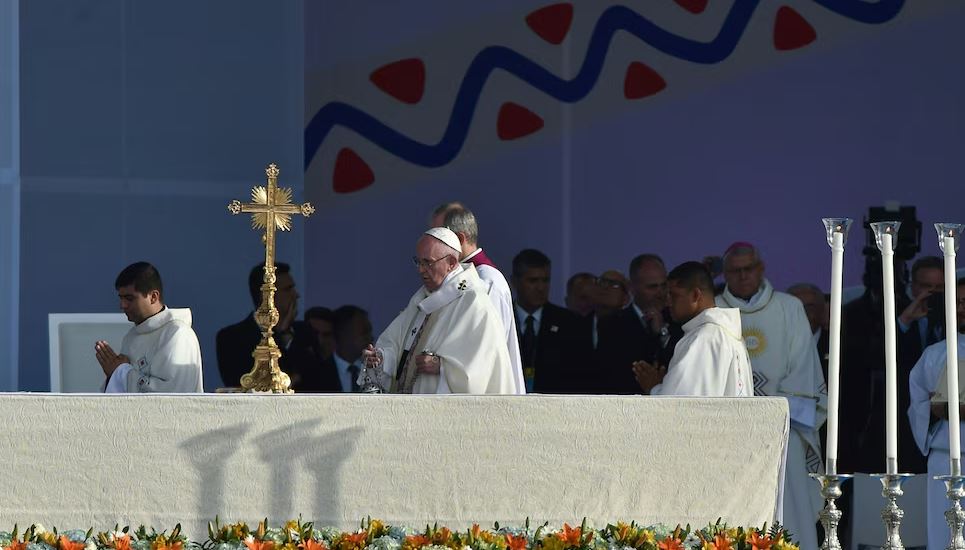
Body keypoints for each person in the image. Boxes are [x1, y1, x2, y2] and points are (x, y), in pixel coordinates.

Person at [716, 242, 826, 550]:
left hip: (782, 428)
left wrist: (769, 405)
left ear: (761, 269)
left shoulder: (789, 307)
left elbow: (804, 366)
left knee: (789, 509)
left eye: (748, 269)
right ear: (724, 274)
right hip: (730, 431)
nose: (742, 276)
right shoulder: (715, 310)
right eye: (735, 271)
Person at [360, 227, 515, 394]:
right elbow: (399, 345)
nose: (420, 269)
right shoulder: (422, 298)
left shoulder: (474, 302)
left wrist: (441, 366)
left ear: (451, 263)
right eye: (418, 262)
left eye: (428, 262)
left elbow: (482, 367)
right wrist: (381, 358)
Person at [432, 202, 526, 394]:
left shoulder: (487, 281)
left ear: (459, 238)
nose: (431, 246)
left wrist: (441, 365)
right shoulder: (456, 279)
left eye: (438, 237)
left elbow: (486, 350)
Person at [632, 261, 751, 396]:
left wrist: (653, 387)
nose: (668, 302)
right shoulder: (725, 333)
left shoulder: (704, 338)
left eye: (674, 295)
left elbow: (682, 404)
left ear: (695, 295)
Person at [908, 278, 965, 549]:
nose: (962, 309)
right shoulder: (934, 354)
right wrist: (935, 408)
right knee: (944, 532)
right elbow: (917, 402)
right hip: (944, 457)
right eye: (958, 303)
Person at [94, 262, 203, 393]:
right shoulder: (131, 337)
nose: (122, 305)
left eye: (129, 298)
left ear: (153, 297)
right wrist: (114, 373)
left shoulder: (178, 334)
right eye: (121, 298)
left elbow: (174, 395)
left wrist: (121, 372)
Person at [216, 262, 318, 390]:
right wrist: (279, 335)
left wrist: (287, 335)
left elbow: (317, 379)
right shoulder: (232, 338)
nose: (296, 295)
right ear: (266, 296)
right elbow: (244, 385)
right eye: (288, 289)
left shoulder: (305, 332)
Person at [598, 254, 684, 394]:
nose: (660, 293)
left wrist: (663, 333)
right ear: (632, 288)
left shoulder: (678, 319)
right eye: (652, 287)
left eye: (663, 285)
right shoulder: (611, 324)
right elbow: (611, 373)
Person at [511, 249, 592, 393]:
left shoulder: (570, 323)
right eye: (533, 281)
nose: (541, 288)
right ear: (514, 282)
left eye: (545, 280)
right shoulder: (500, 319)